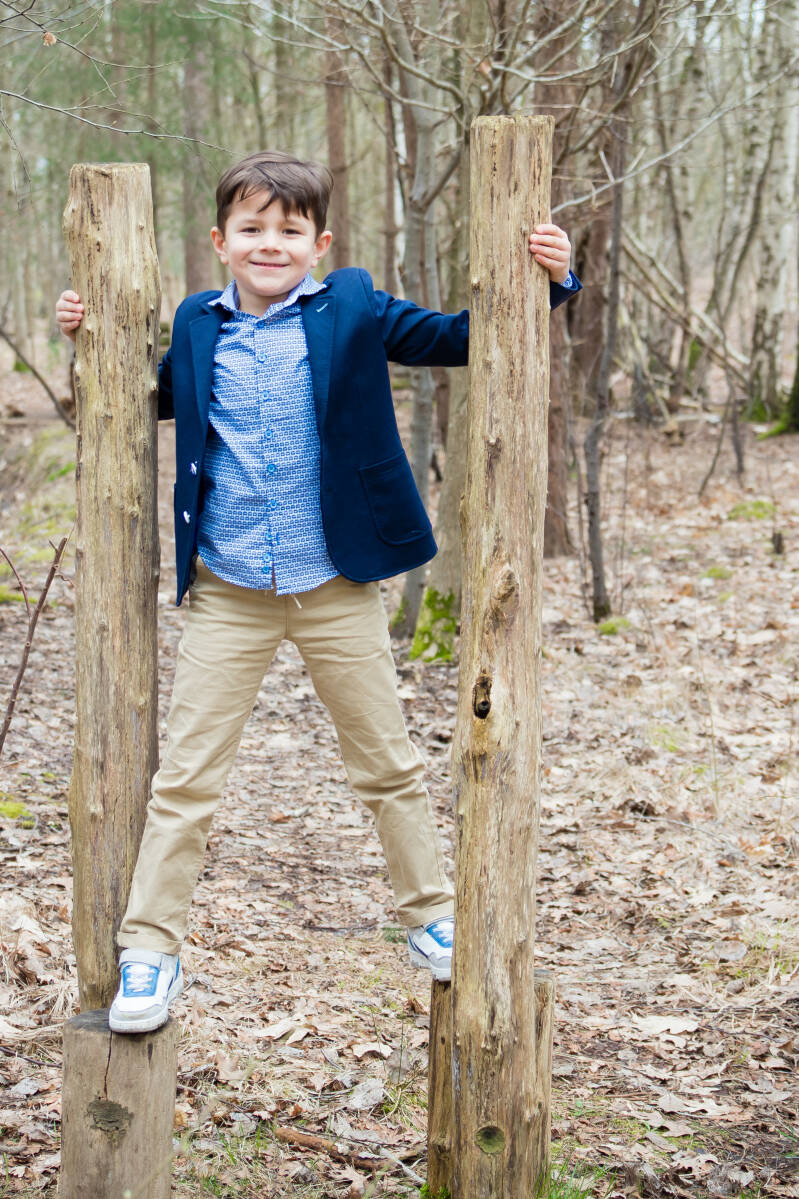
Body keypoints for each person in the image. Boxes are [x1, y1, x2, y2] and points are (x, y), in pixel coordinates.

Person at [56, 150, 582, 1033]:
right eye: (252, 230)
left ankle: (430, 914)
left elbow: (461, 337)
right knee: (185, 778)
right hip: (228, 589)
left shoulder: (353, 308)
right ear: (220, 241)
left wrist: (555, 281)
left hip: (335, 580)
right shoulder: (195, 323)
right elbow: (139, 399)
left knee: (388, 765)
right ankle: (149, 950)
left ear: (318, 241)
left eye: (289, 230)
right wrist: (89, 337)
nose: (271, 244)